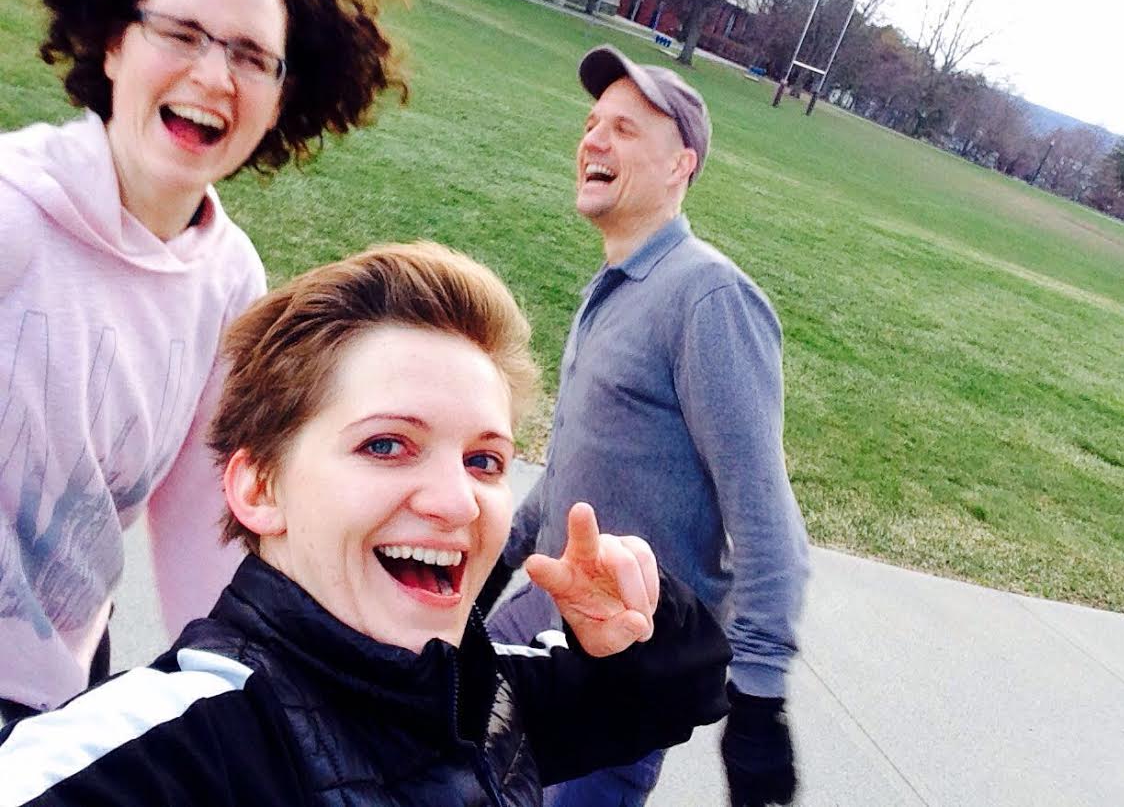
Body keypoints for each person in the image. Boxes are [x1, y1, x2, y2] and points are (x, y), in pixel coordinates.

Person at [0, 242, 731, 807]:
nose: (457, 502)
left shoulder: (479, 696)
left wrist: (642, 611)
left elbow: (683, 687)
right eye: (387, 445)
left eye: (484, 460)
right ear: (259, 487)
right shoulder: (175, 746)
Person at [0, 0, 400, 723]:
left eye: (252, 56)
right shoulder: (12, 214)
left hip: (54, 694)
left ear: (282, 97)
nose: (213, 74)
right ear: (114, 45)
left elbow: (205, 528)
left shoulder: (229, 279)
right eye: (180, 34)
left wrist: (266, 706)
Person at [483, 45, 811, 807]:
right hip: (545, 616)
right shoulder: (616, 287)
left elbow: (766, 518)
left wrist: (759, 703)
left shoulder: (708, 299)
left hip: (627, 664)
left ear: (680, 167)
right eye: (593, 123)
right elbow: (573, 475)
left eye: (625, 130)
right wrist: (488, 574)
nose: (593, 139)